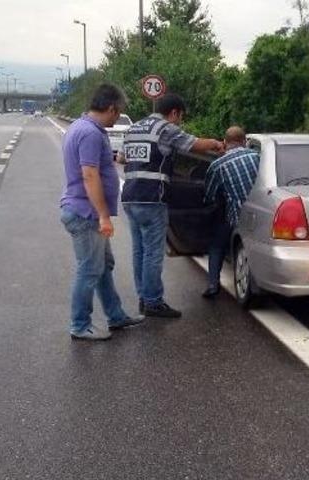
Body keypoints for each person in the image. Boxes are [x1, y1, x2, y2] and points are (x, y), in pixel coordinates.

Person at [121, 93, 224, 317]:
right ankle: (153, 301)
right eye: (180, 117)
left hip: (129, 196)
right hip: (152, 198)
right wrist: (217, 144)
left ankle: (143, 297)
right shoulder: (165, 128)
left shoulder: (134, 128)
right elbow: (194, 144)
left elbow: (121, 158)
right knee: (153, 253)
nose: (180, 122)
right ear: (174, 113)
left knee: (139, 251)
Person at [59, 83, 143, 341]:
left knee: (103, 265)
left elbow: (95, 165)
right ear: (110, 108)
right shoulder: (91, 133)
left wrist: (114, 158)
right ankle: (79, 324)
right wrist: (104, 216)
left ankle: (115, 315)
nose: (117, 118)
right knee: (90, 269)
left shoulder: (80, 127)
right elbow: (89, 174)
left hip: (84, 211)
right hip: (86, 214)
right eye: (118, 113)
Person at [201, 126, 261, 298]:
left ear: (225, 142)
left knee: (216, 244)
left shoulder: (217, 165)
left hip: (238, 217)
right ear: (244, 141)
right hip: (265, 215)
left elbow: (210, 196)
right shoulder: (258, 157)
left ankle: (213, 284)